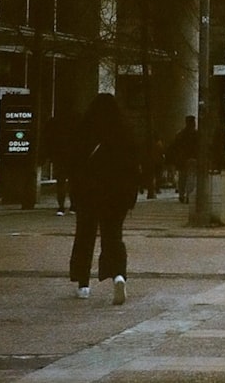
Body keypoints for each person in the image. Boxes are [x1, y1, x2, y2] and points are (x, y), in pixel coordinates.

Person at [68, 93, 140, 304]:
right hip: (116, 196)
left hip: (88, 194)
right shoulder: (124, 132)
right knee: (113, 237)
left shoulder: (85, 131)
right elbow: (133, 168)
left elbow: (74, 164)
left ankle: (83, 284)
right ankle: (118, 275)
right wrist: (130, 196)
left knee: (84, 236)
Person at [44, 113, 75, 216]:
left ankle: (61, 206)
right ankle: (73, 205)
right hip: (72, 156)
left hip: (59, 156)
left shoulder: (54, 122)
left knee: (60, 182)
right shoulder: (75, 121)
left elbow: (48, 139)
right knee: (73, 182)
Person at [170, 115, 199, 204]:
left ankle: (181, 195)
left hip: (182, 159)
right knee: (191, 178)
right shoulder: (196, 134)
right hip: (193, 158)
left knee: (182, 178)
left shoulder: (180, 134)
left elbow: (175, 147)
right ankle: (189, 195)